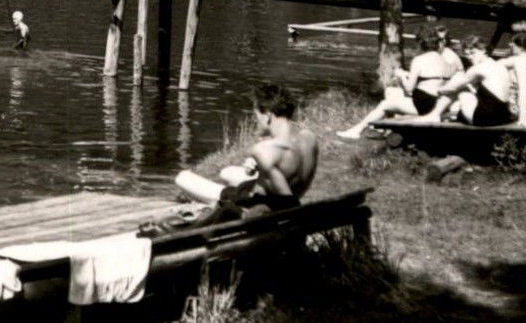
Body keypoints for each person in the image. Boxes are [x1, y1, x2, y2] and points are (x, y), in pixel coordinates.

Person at [177, 84, 318, 209]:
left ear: (268, 116)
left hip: (254, 203)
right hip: (273, 195)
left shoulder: (263, 149)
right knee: (226, 172)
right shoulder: (309, 137)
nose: (254, 120)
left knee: (182, 177)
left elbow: (289, 201)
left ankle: (215, 203)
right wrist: (261, 168)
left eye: (255, 115)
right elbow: (292, 178)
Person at [336, 30, 454, 139]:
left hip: (423, 105)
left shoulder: (419, 60)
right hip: (439, 103)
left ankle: (357, 130)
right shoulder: (446, 62)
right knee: (392, 92)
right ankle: (385, 129)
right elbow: (433, 80)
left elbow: (409, 89)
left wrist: (402, 76)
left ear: (420, 44)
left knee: (385, 104)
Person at [415, 38, 516, 127]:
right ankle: (448, 113)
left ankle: (434, 115)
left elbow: (453, 87)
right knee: (467, 89)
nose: (470, 57)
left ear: (484, 50)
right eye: (467, 54)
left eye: (473, 53)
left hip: (485, 118)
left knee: (460, 84)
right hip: (503, 116)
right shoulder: (499, 65)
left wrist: (439, 90)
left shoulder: (477, 68)